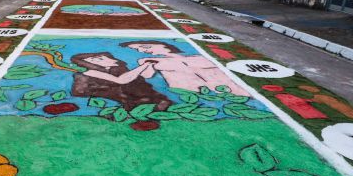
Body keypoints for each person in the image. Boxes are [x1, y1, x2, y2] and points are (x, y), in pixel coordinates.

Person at [120, 40, 251, 97]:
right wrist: (145, 64)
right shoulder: (150, 60)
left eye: (145, 47)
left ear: (162, 44)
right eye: (138, 49)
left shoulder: (198, 56)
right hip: (192, 94)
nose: (142, 50)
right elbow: (147, 76)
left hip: (233, 89)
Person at [70, 52, 172, 110]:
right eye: (92, 61)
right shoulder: (90, 72)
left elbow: (146, 75)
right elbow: (122, 80)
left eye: (99, 57)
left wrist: (150, 65)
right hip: (105, 94)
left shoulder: (118, 68)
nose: (100, 59)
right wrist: (144, 66)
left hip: (130, 94)